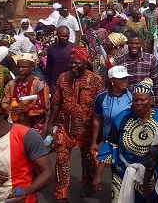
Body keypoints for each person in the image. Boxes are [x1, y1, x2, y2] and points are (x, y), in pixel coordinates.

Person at [93, 78, 158, 202]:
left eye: (142, 100)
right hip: (122, 171)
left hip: (151, 175)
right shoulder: (123, 117)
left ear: (151, 100)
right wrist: (98, 174)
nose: (138, 103)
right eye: (135, 100)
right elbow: (111, 144)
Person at [45, 46, 104, 201]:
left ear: (85, 63)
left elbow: (101, 107)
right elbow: (56, 103)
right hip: (65, 127)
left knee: (87, 160)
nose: (73, 66)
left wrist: (100, 132)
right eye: (71, 63)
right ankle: (61, 194)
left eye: (77, 63)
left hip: (88, 129)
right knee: (61, 161)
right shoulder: (63, 78)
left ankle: (86, 183)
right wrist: (50, 124)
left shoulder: (96, 80)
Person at [0, 54, 49, 134]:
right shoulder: (11, 84)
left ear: (32, 67)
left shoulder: (40, 84)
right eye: (18, 67)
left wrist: (25, 109)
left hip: (34, 126)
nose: (20, 69)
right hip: (15, 125)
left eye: (24, 67)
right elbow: (4, 101)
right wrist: (7, 108)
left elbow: (43, 107)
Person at [114, 32, 158, 109]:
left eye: (137, 43)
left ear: (141, 44)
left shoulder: (151, 59)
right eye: (131, 43)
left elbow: (156, 84)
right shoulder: (120, 61)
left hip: (146, 103)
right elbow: (116, 85)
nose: (134, 46)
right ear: (127, 44)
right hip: (126, 103)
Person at [90, 66, 133, 154]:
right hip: (109, 141)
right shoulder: (101, 97)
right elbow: (97, 120)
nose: (124, 80)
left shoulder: (133, 95)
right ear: (112, 80)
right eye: (120, 78)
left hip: (130, 142)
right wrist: (94, 142)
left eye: (126, 78)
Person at [44, 26, 76, 94]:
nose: (65, 38)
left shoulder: (74, 47)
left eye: (67, 36)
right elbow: (49, 67)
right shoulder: (51, 48)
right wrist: (47, 84)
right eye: (63, 36)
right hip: (55, 82)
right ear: (57, 35)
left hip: (70, 81)